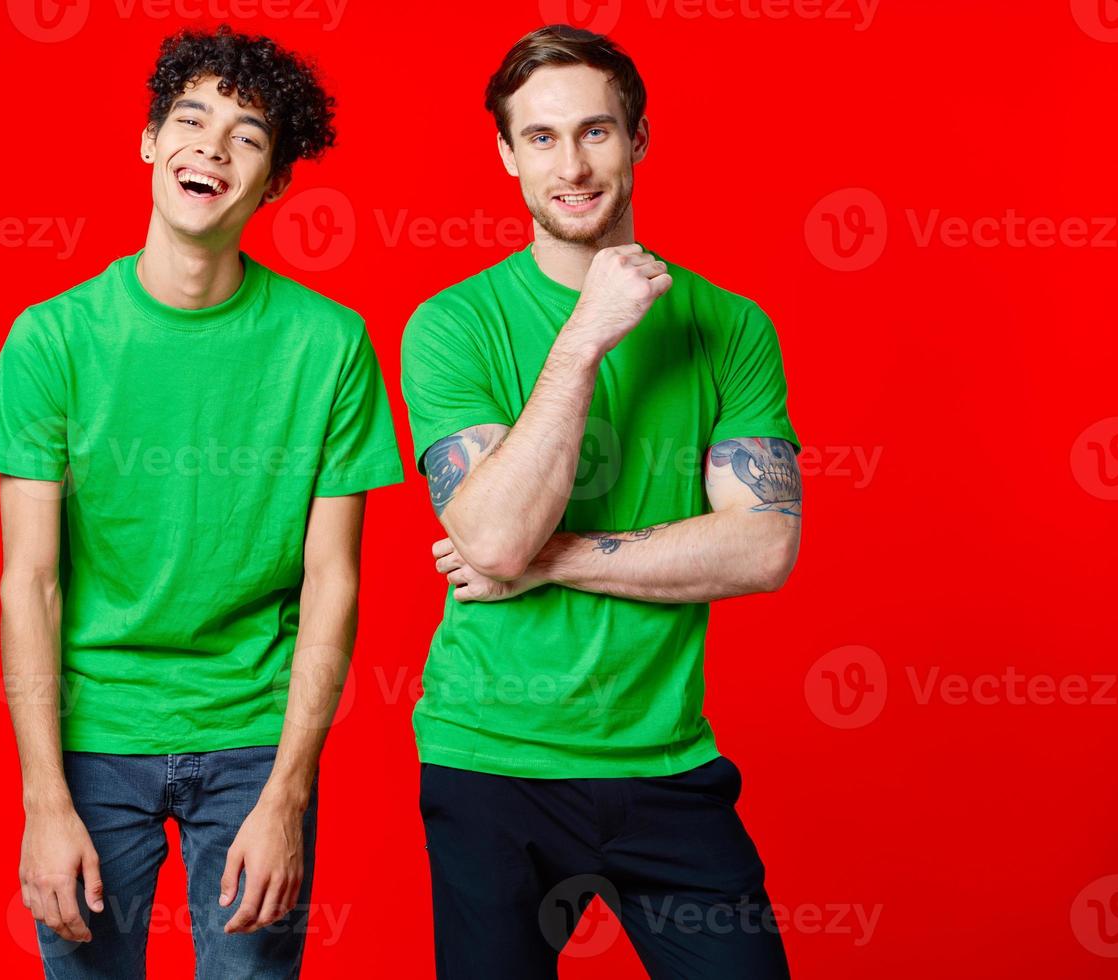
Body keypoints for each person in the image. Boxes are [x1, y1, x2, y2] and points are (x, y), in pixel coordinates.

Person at [0, 25, 402, 979]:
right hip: (94, 740)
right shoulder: (52, 340)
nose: (211, 145)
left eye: (247, 136)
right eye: (192, 120)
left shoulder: (330, 345)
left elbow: (333, 581)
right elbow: (29, 582)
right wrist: (44, 800)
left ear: (278, 181)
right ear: (150, 143)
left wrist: (289, 793)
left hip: (255, 738)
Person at [400, 24, 802, 980]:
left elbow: (762, 549)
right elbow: (492, 533)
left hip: (666, 763)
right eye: (540, 138)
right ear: (505, 154)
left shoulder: (730, 326)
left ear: (640, 140)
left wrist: (552, 558)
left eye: (596, 132)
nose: (571, 165)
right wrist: (584, 337)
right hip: (493, 758)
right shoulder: (450, 325)